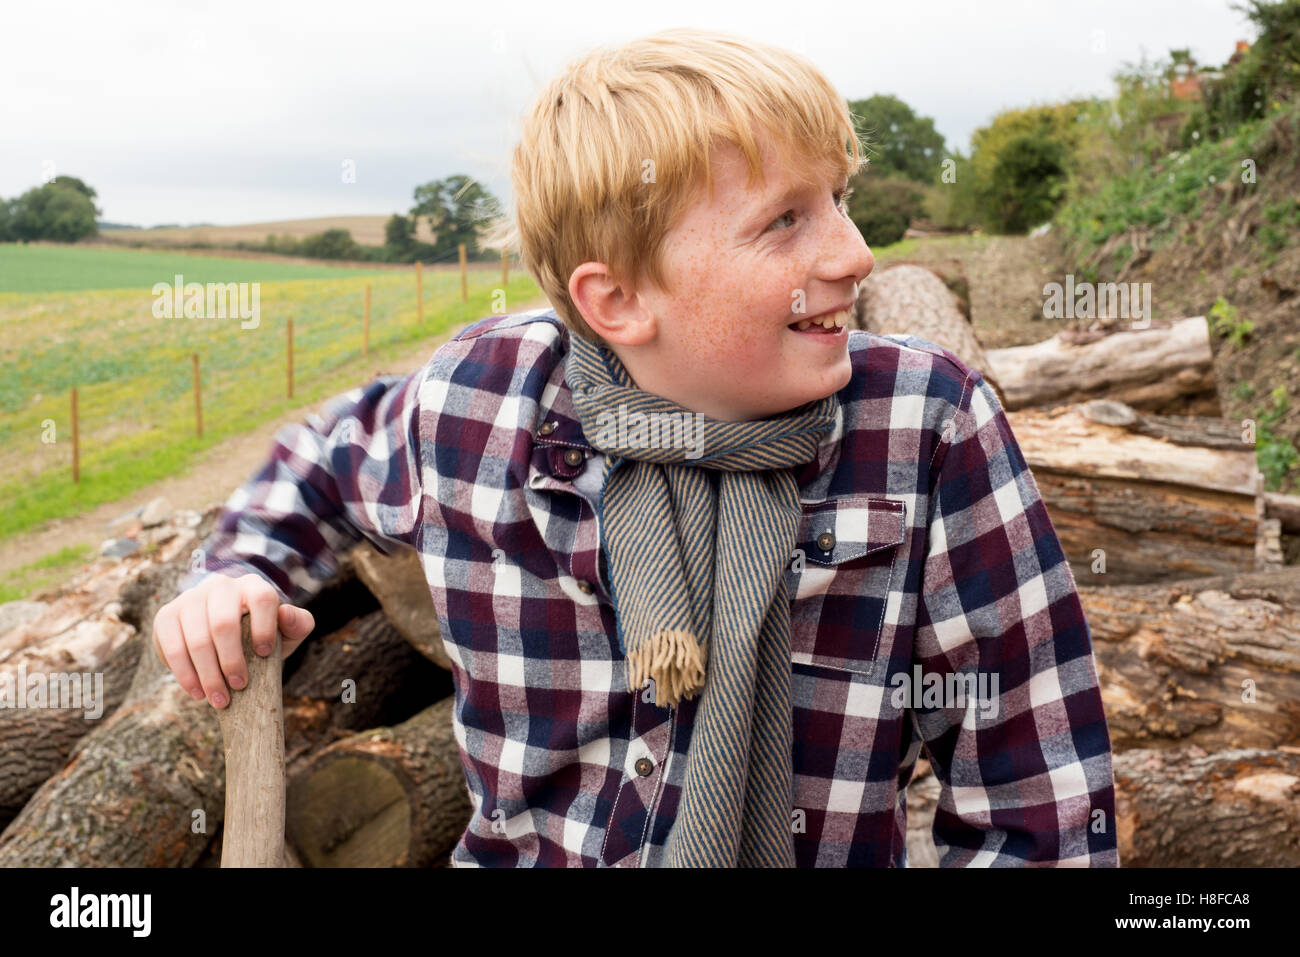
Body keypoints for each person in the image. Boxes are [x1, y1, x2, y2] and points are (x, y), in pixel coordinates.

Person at [153, 27, 1119, 867]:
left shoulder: (924, 426)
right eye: (786, 220)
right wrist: (237, 569)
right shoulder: (479, 403)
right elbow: (323, 460)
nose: (854, 252)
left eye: (839, 197)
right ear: (614, 300)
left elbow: (1039, 812)